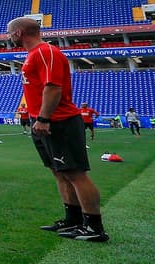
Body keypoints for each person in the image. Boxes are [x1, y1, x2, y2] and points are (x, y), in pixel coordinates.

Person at [6, 18, 108, 242]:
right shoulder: (34, 54)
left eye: (10, 33)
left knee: (75, 173)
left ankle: (94, 226)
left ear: (20, 32)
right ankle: (73, 219)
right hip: (43, 121)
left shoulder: (45, 52)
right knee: (59, 171)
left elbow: (53, 87)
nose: (9, 36)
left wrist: (44, 118)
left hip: (58, 121)